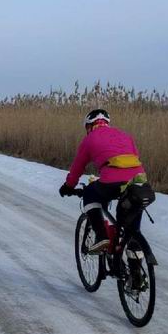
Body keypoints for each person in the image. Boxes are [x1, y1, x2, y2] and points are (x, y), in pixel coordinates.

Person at [58, 108, 147, 253]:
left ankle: (102, 236)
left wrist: (68, 186)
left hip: (112, 182)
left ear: (89, 126)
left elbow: (77, 168)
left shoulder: (89, 139)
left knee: (90, 193)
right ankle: (136, 272)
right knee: (133, 230)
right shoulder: (125, 136)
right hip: (140, 182)